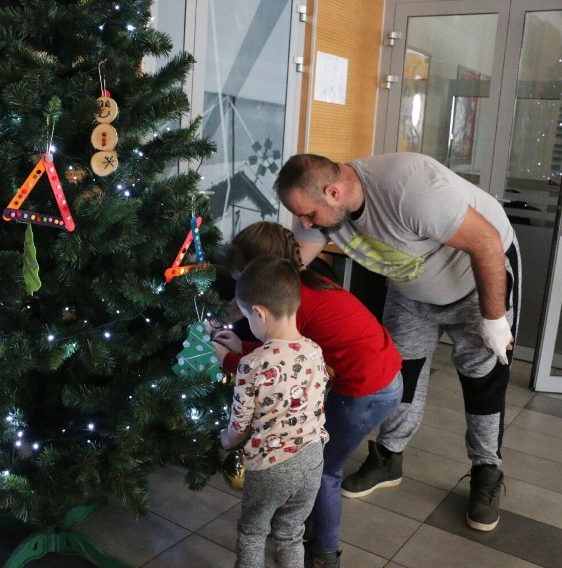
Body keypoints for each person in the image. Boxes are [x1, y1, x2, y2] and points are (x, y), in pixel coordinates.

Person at [274, 152, 521, 533]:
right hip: (412, 291)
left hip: (477, 282)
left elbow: (487, 243)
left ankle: (486, 470)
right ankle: (389, 456)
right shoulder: (322, 205)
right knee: (399, 374)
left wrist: (493, 321)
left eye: (309, 215)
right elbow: (293, 263)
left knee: (482, 379)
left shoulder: (410, 189)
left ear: (333, 192)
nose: (304, 224)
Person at [213, 222, 402, 568]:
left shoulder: (304, 304)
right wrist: (243, 345)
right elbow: (288, 352)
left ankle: (326, 553)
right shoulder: (300, 292)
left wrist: (230, 358)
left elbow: (265, 372)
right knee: (312, 475)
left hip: (367, 387)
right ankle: (298, 525)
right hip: (384, 372)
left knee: (328, 471)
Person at [218, 255, 329, 568]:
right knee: (291, 531)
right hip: (312, 459)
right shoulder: (315, 351)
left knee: (253, 530)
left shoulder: (252, 365)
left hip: (272, 464)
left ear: (259, 313)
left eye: (247, 317)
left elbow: (240, 424)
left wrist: (225, 442)